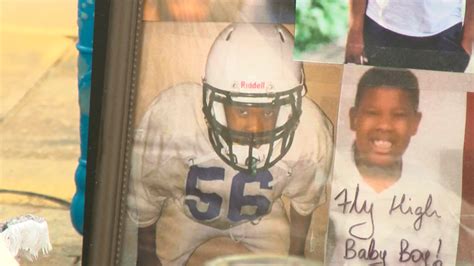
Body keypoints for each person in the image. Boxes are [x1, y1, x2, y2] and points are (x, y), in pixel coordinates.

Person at [127, 23, 334, 265]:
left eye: (268, 112)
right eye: (243, 111)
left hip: (259, 217)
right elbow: (146, 193)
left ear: (291, 106)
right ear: (213, 104)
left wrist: (296, 252)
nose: (255, 128)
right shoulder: (175, 119)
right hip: (189, 214)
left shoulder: (309, 132)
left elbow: (303, 200)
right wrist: (146, 251)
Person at [326, 68, 461, 265]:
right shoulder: (326, 178)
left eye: (398, 115)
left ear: (415, 122)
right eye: (372, 112)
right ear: (354, 117)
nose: (385, 125)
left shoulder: (441, 204)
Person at [345, 0, 473, 72]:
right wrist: (355, 30)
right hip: (382, 27)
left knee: (438, 110)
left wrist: (468, 37)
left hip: (443, 31)